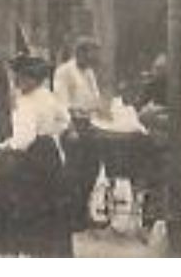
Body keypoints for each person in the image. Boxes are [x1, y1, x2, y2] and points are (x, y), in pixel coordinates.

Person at [0, 53, 74, 257]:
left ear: (35, 79)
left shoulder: (26, 102)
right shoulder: (47, 95)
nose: (18, 82)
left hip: (31, 159)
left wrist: (4, 147)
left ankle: (23, 248)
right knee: (51, 204)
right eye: (17, 77)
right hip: (49, 153)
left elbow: (24, 139)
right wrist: (50, 132)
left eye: (24, 78)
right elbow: (65, 119)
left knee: (17, 201)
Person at [55, 37, 108, 232]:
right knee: (73, 173)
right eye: (91, 54)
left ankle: (83, 213)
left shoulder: (89, 73)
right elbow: (60, 103)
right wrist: (69, 128)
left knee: (91, 169)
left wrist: (103, 112)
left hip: (89, 123)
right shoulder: (64, 72)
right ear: (80, 52)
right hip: (72, 124)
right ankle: (69, 217)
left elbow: (95, 99)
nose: (94, 59)